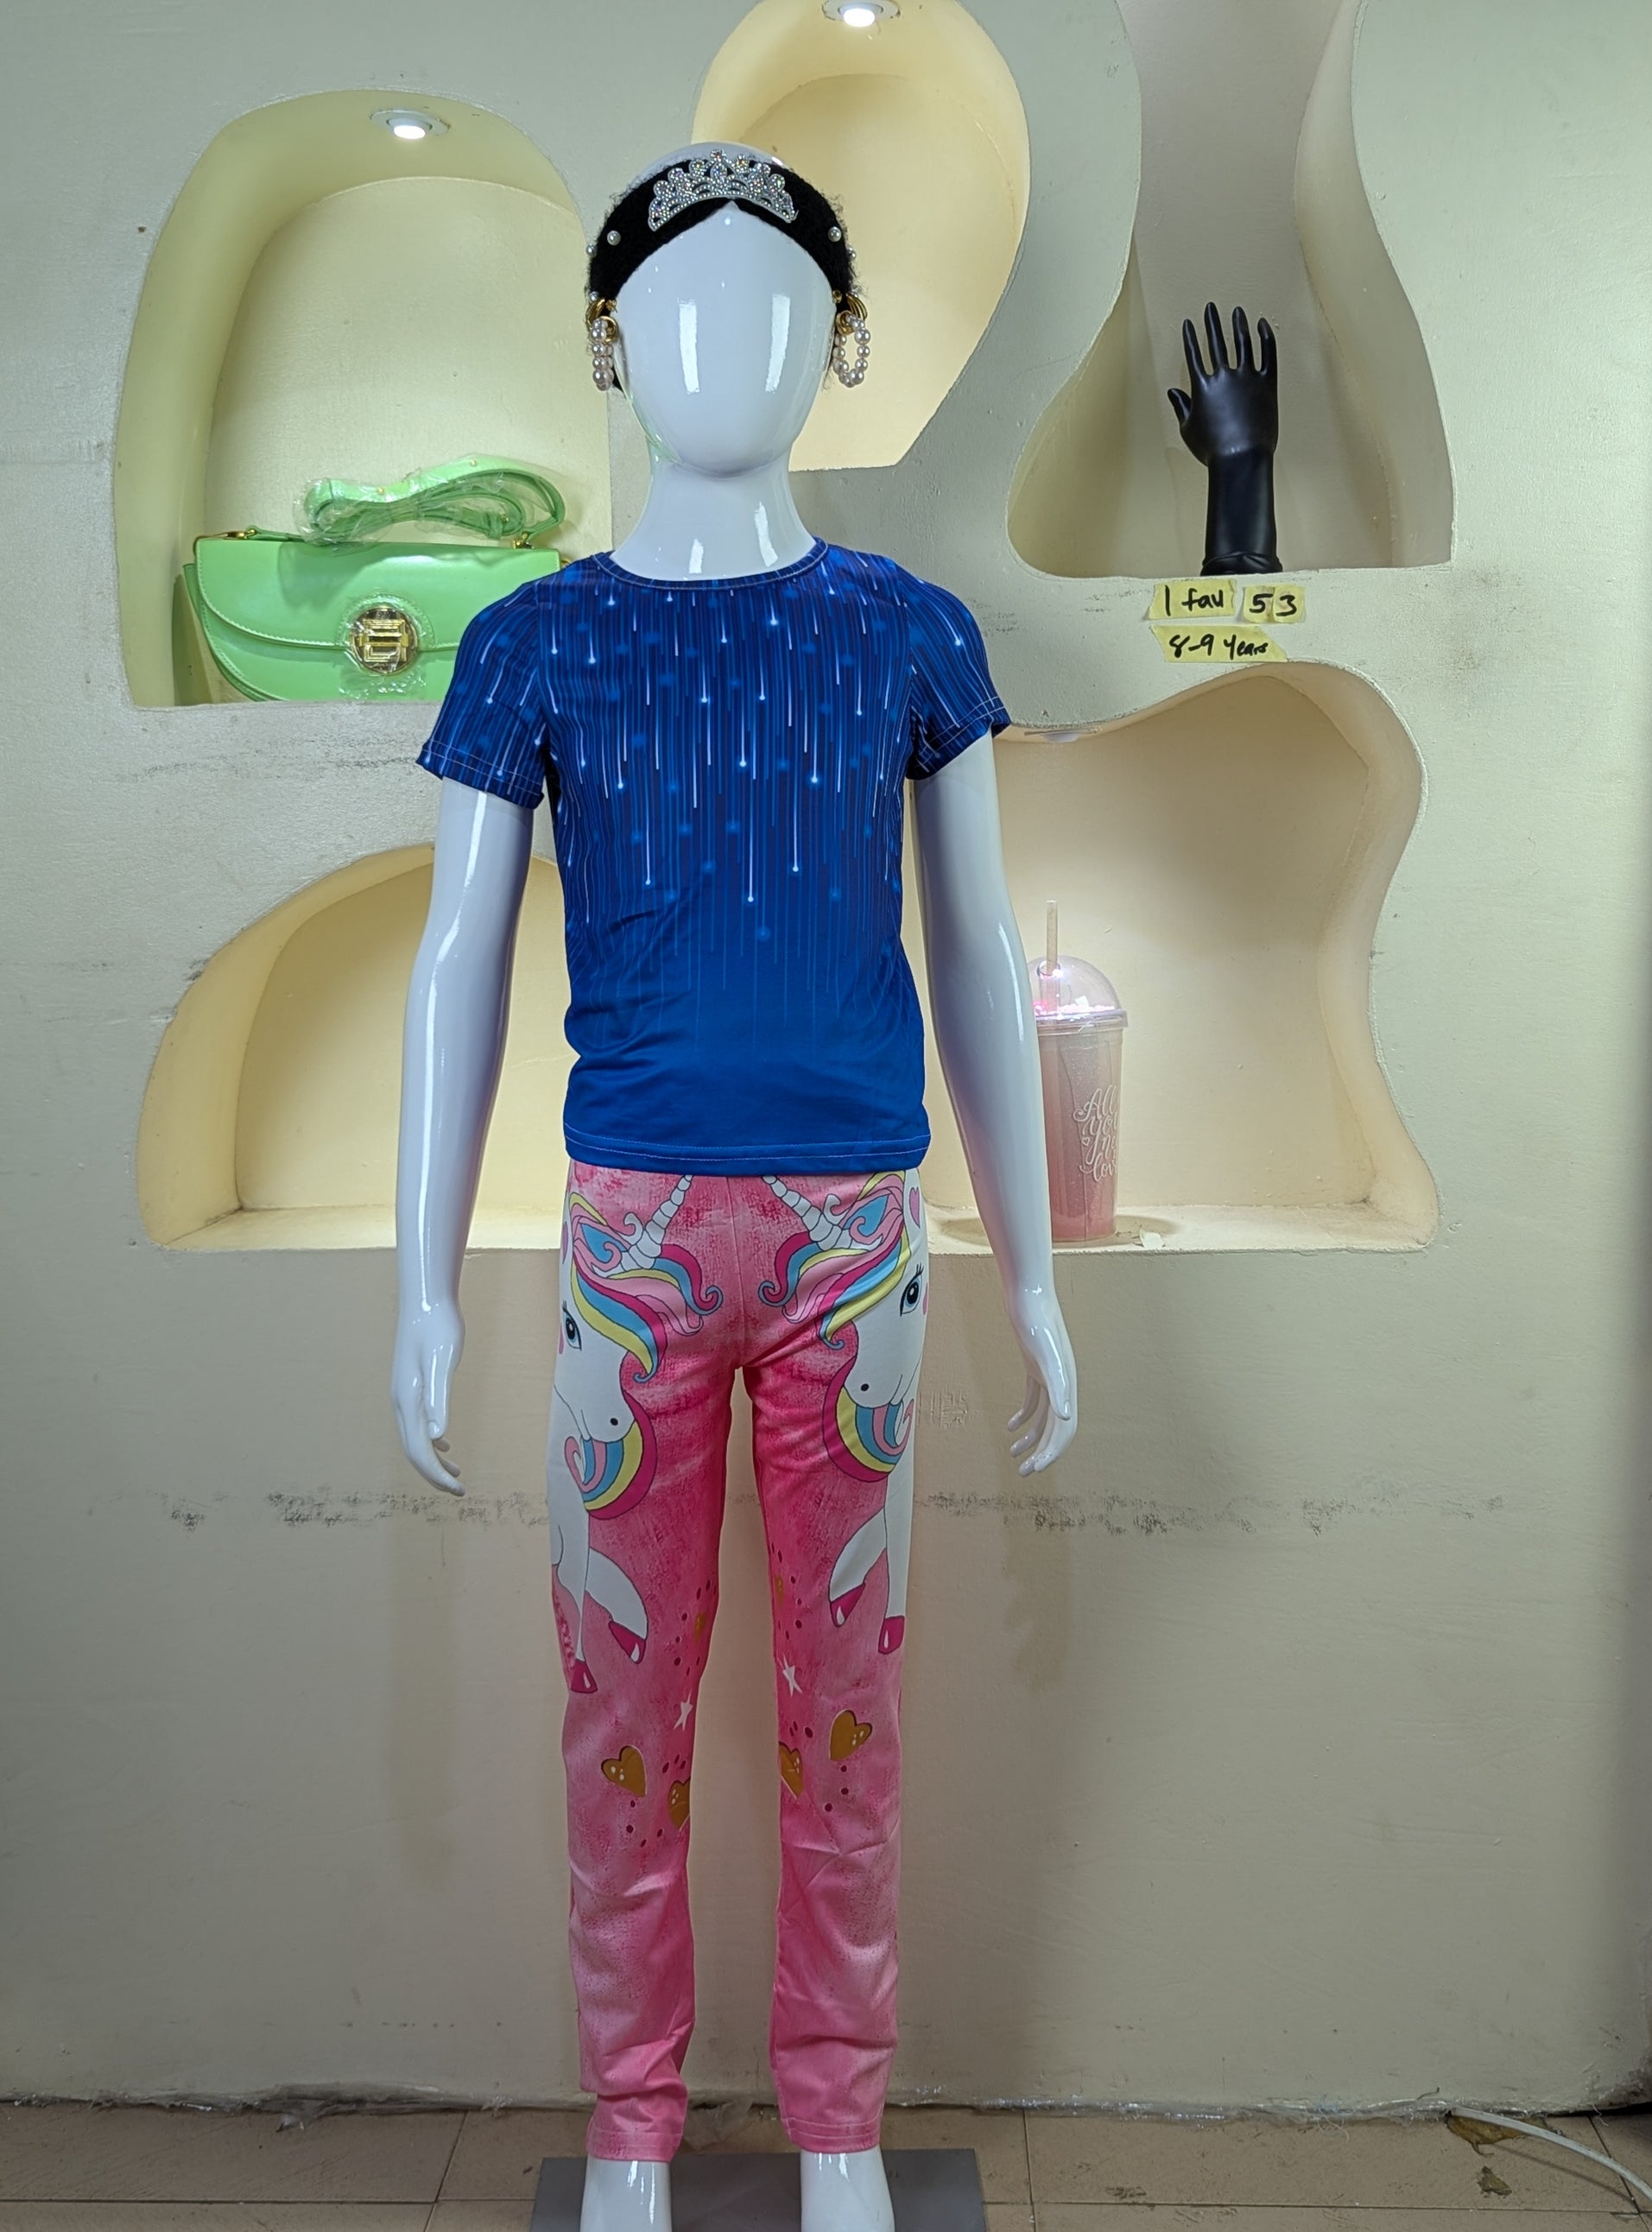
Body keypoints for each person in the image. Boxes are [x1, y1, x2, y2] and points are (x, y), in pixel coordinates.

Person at [390, 142, 1079, 2232]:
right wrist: (421, 1281)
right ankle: (631, 2119)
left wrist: (1033, 1271)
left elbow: (978, 949)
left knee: (846, 1715)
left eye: (775, 304)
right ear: (610, 343)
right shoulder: (530, 642)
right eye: (679, 305)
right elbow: (453, 962)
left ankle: (840, 2113)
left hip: (857, 1245)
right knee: (619, 1702)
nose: (727, 344)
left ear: (839, 342)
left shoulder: (907, 633)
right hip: (631, 1250)